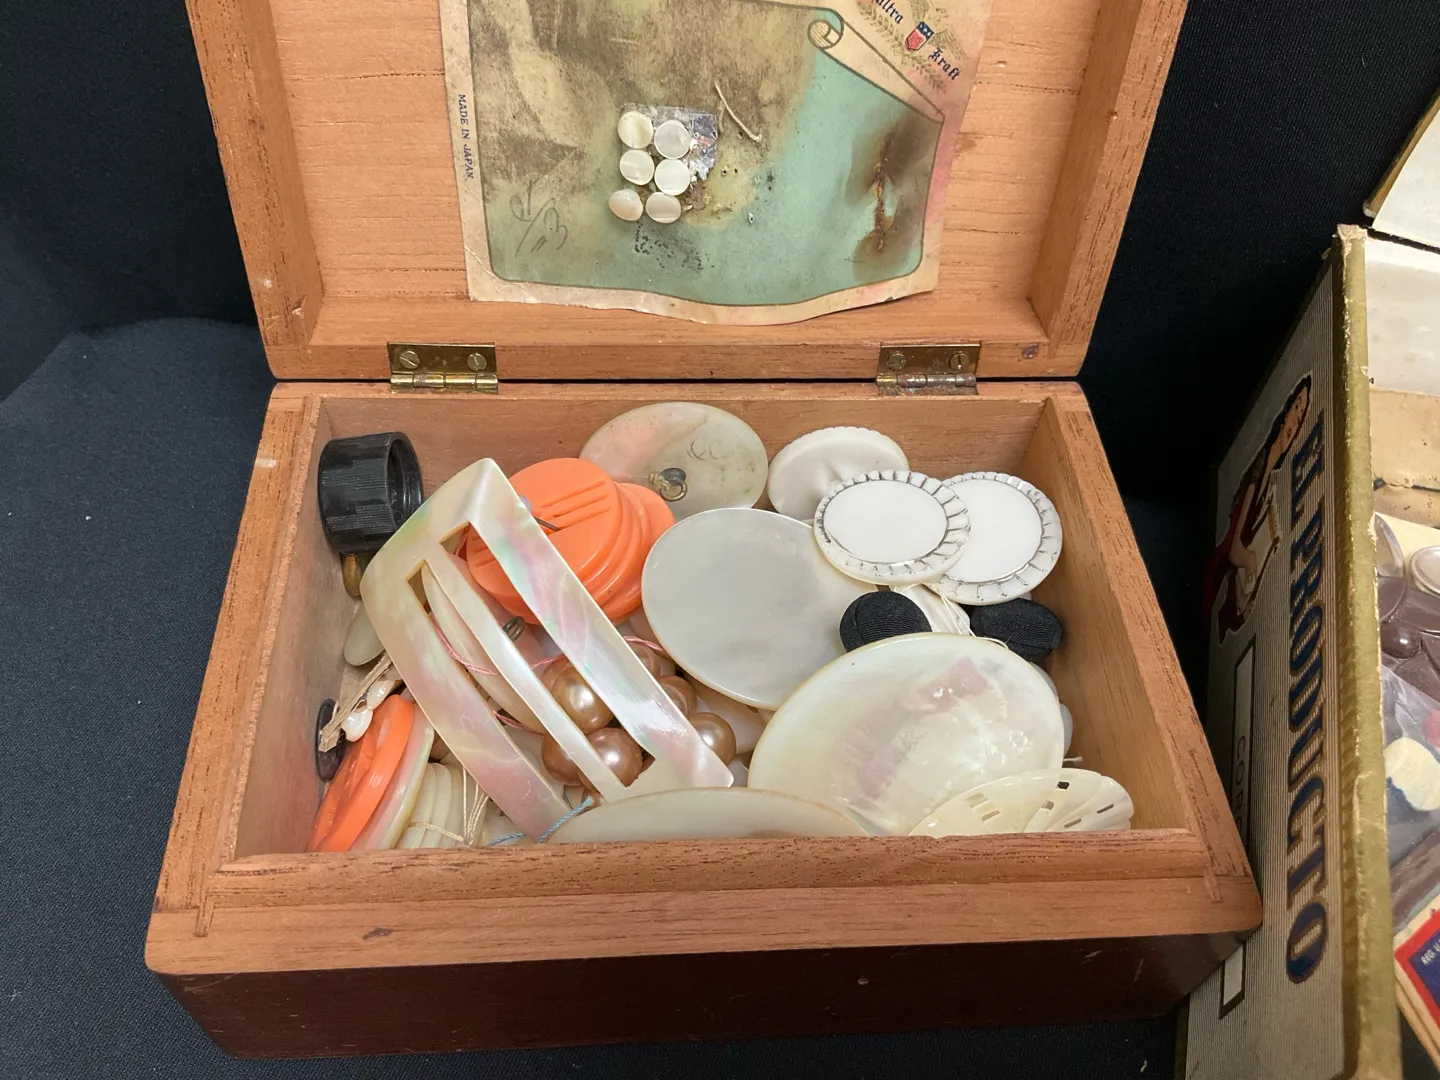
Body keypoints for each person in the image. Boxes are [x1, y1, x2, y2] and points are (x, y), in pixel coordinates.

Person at [1203, 375, 1312, 641]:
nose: (1295, 421)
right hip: (1217, 578)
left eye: (1300, 418)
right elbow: (1234, 551)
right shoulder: (1258, 471)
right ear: (1284, 413)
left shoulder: (1270, 473)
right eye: (1295, 409)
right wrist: (1252, 560)